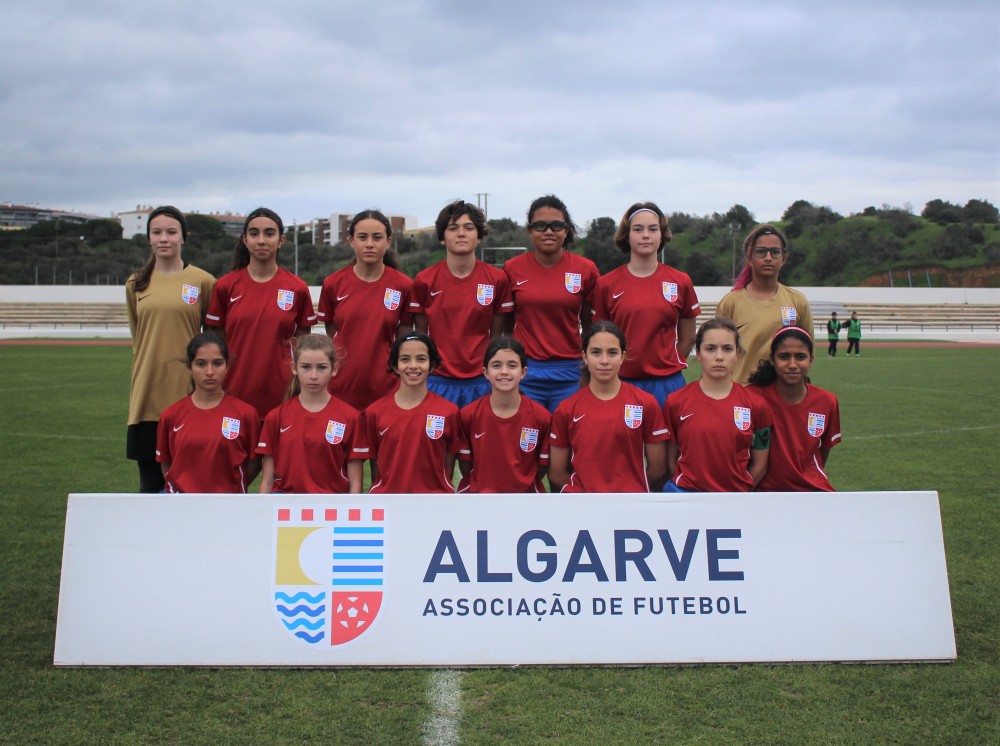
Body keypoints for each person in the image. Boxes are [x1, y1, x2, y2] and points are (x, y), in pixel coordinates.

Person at [125, 205, 215, 493]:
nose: (164, 238)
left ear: (183, 238)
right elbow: (138, 338)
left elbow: (212, 344)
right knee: (150, 486)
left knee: (192, 484)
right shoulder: (135, 283)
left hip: (188, 396)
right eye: (157, 232)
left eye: (171, 232)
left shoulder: (203, 282)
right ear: (149, 238)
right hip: (147, 397)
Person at [206, 207, 316, 418]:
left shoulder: (297, 288)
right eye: (254, 233)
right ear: (245, 239)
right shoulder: (225, 286)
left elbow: (303, 345)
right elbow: (216, 344)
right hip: (233, 395)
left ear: (281, 240)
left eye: (269, 233)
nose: (262, 240)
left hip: (282, 397)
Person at [592, 201, 700, 407]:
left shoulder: (681, 281)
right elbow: (599, 338)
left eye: (653, 229)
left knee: (668, 440)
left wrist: (668, 364)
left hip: (668, 384)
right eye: (638, 229)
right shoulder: (606, 284)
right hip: (620, 383)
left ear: (662, 234)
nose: (645, 235)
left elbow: (688, 337)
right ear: (627, 235)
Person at [410, 200, 513, 408]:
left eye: (469, 227)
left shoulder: (497, 279)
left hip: (481, 380)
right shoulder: (424, 280)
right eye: (452, 228)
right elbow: (421, 338)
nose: (461, 233)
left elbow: (496, 337)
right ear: (442, 238)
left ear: (478, 236)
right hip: (437, 380)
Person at [502, 195, 599, 412]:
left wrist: (587, 366)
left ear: (566, 230)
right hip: (526, 370)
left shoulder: (586, 269)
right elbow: (506, 327)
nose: (548, 232)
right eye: (540, 226)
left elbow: (590, 326)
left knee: (565, 442)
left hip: (570, 372)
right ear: (529, 230)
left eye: (556, 225)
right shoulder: (511, 268)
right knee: (527, 441)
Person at [549, 321, 669, 493]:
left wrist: (632, 492)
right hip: (584, 505)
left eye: (612, 353)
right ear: (584, 356)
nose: (604, 360)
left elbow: (658, 468)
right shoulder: (567, 409)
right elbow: (556, 473)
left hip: (631, 505)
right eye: (596, 352)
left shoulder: (645, 403)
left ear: (622, 356)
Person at [317, 210, 413, 411]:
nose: (370, 244)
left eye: (377, 237)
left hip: (387, 390)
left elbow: (403, 339)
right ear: (351, 241)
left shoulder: (403, 286)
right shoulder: (333, 284)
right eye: (362, 237)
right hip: (341, 389)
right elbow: (333, 333)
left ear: (387, 242)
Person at [663, 317, 772, 492]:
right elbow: (671, 460)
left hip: (735, 499)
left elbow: (760, 464)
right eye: (710, 349)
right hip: (687, 497)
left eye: (727, 349)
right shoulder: (676, 401)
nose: (719, 357)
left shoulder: (756, 404)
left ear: (737, 354)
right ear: (698, 354)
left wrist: (740, 490)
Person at [257, 334, 366, 494]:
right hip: (285, 508)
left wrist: (348, 515)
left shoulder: (350, 418)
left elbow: (355, 484)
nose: (313, 375)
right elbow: (267, 481)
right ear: (294, 367)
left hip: (330, 508)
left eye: (321, 367)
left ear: (334, 369)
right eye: (306, 367)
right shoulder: (276, 417)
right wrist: (264, 514)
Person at [156, 332, 260, 493]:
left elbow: (254, 463)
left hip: (228, 507)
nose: (210, 371)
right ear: (190, 367)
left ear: (227, 366)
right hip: (180, 507)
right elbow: (166, 464)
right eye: (201, 364)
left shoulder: (246, 414)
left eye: (217, 363)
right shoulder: (170, 416)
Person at [364, 332, 464, 493]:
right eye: (405, 359)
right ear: (395, 366)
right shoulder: (375, 412)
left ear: (432, 365)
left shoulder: (449, 412)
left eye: (421, 359)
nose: (413, 365)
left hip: (434, 500)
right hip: (389, 499)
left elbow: (448, 462)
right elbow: (375, 463)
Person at [715, 224, 813, 384]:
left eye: (775, 252)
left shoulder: (797, 301)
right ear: (749, 257)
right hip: (741, 395)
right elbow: (718, 355)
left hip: (781, 398)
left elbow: (807, 350)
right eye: (761, 251)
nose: (768, 257)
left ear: (784, 258)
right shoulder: (730, 302)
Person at [748, 327, 841, 491]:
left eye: (800, 357)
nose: (792, 364)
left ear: (811, 359)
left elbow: (822, 453)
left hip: (813, 491)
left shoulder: (827, 401)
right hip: (764, 494)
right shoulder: (751, 398)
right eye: (784, 357)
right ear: (772, 359)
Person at [457, 337, 552, 493]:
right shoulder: (468, 415)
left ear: (523, 372)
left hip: (526, 500)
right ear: (486, 372)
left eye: (512, 365)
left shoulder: (541, 417)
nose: (504, 372)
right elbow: (466, 465)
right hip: (479, 498)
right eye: (496, 365)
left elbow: (541, 468)